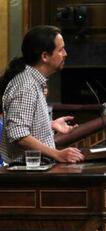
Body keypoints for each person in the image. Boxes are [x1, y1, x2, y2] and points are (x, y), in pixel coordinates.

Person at [0, 25, 84, 165]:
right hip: (27, 174)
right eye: (60, 49)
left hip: (34, 171)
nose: (65, 54)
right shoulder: (26, 85)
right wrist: (58, 154)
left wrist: (49, 125)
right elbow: (18, 134)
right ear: (45, 56)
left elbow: (22, 124)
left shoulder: (32, 81)